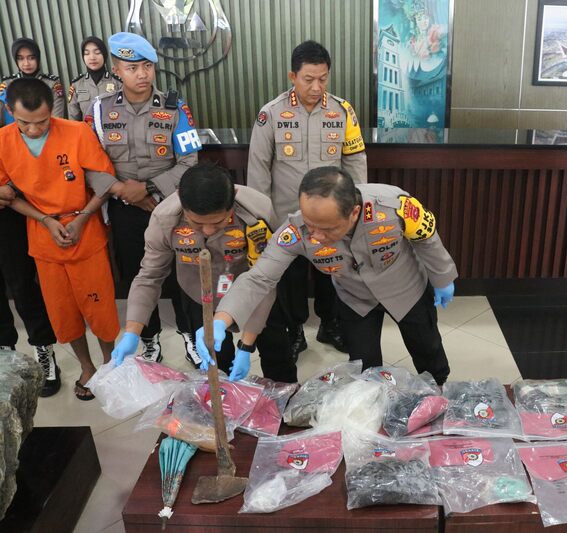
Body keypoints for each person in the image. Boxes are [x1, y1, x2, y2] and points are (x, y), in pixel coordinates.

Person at [200, 167, 456, 385]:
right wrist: (222, 318)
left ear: (353, 212)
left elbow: (426, 238)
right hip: (355, 299)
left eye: (326, 229)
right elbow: (259, 277)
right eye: (310, 225)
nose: (316, 236)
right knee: (363, 366)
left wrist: (443, 277)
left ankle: (438, 389)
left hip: (406, 289)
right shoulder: (296, 231)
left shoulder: (394, 206)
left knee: (427, 348)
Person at [111, 163, 294, 381]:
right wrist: (132, 331)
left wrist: (246, 346)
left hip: (255, 293)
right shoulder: (164, 219)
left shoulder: (258, 212)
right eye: (196, 223)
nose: (207, 230)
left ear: (232, 204)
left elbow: (265, 277)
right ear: (182, 203)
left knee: (277, 354)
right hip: (199, 295)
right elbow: (150, 276)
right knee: (216, 363)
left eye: (218, 223)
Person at [85, 32, 202, 366]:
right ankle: (149, 339)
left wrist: (148, 189)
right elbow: (90, 164)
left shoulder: (175, 107)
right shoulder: (100, 110)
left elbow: (189, 161)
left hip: (170, 206)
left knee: (182, 272)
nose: (142, 74)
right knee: (138, 275)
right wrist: (123, 192)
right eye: (132, 67)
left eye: (147, 66)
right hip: (125, 209)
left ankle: (190, 335)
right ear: (117, 70)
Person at [0, 78, 120, 400]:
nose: (34, 129)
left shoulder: (77, 132)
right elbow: (8, 196)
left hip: (85, 229)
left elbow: (105, 182)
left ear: (51, 110)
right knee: (63, 312)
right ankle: (87, 367)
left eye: (42, 122)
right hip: (44, 236)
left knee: (100, 307)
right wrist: (44, 220)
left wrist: (82, 219)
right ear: (9, 111)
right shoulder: (3, 141)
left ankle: (110, 363)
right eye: (25, 123)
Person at [248, 40, 367, 361]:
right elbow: (258, 169)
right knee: (291, 276)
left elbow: (355, 160)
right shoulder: (271, 113)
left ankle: (330, 324)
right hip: (288, 216)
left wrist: (355, 209)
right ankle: (295, 329)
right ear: (293, 76)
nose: (316, 87)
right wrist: (262, 219)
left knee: (334, 271)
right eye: (308, 79)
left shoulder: (342, 111)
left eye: (323, 79)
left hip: (332, 217)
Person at [0, 86, 59, 397]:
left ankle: (43, 350)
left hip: (8, 218)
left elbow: (24, 172)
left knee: (22, 285)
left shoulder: (12, 123)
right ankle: (5, 357)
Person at [0, 37, 65, 118]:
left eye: (31, 58)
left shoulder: (52, 84)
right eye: (20, 58)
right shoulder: (7, 84)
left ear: (38, 58)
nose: (26, 63)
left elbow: (57, 118)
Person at [67, 36, 122, 121]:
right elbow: (73, 120)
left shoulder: (118, 83)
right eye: (87, 53)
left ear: (104, 55)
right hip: (86, 129)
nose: (92, 57)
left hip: (114, 129)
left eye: (97, 52)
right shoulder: (77, 85)